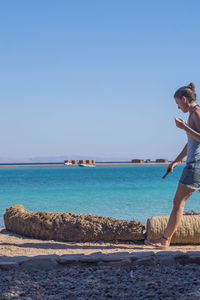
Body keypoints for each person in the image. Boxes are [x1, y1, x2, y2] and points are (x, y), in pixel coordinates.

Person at [145, 82, 200, 248]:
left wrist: (184, 127)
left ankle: (165, 240)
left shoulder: (195, 113)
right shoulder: (194, 114)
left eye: (178, 103)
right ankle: (165, 239)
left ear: (184, 99)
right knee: (179, 203)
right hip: (195, 164)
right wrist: (176, 161)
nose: (178, 107)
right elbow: (191, 143)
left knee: (178, 203)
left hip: (195, 166)